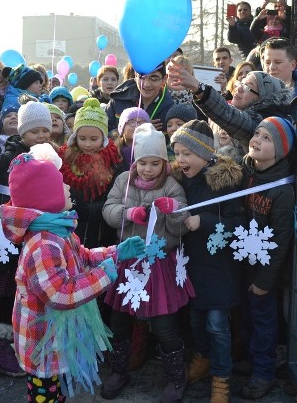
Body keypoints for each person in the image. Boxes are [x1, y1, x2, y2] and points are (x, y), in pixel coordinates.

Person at [0, 143, 146, 400]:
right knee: (46, 396)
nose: (68, 187)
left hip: (56, 337)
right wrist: (104, 276)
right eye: (60, 184)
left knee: (58, 393)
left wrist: (116, 252)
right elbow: (60, 295)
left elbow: (83, 257)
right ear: (46, 197)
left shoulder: (58, 230)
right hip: (42, 341)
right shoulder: (43, 244)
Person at [101, 124, 193, 402]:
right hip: (127, 261)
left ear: (165, 162)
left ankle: (177, 377)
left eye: (155, 163)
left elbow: (182, 227)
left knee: (164, 325)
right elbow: (109, 209)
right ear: (135, 161)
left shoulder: (173, 185)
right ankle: (119, 370)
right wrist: (129, 213)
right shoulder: (123, 181)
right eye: (143, 162)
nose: (148, 169)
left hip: (160, 263)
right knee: (119, 321)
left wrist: (174, 211)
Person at [170, 120, 245, 403]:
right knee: (195, 319)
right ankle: (201, 359)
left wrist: (205, 221)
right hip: (190, 263)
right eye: (176, 153)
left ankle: (221, 377)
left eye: (186, 153)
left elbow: (237, 222)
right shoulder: (179, 179)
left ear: (204, 153)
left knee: (217, 323)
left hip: (219, 267)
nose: (180, 159)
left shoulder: (225, 181)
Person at [237, 117, 296, 400]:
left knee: (264, 321)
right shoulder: (245, 173)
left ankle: (264, 373)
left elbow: (281, 241)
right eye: (257, 134)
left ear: (282, 150)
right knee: (246, 316)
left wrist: (264, 281)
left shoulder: (282, 189)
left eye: (267, 138)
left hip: (265, 271)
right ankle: (250, 359)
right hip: (243, 263)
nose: (257, 140)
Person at [167, 61, 293, 147]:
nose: (239, 89)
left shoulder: (262, 123)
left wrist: (198, 87)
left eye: (248, 87)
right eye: (241, 83)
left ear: (263, 98)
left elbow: (229, 115)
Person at [59, 98, 123, 249]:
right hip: (70, 230)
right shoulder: (65, 161)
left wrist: (87, 210)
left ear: (104, 139)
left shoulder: (112, 163)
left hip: (102, 233)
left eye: (94, 139)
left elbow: (114, 199)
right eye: (82, 138)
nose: (87, 144)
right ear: (75, 137)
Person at [0, 101, 52, 185]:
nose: (41, 135)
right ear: (23, 134)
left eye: (46, 130)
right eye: (34, 132)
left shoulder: (52, 153)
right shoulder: (10, 158)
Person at [106, 63, 174, 134]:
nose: (146, 84)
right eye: (142, 77)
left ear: (164, 79)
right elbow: (101, 136)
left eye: (154, 79)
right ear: (135, 76)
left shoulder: (170, 109)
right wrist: (130, 129)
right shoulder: (118, 98)